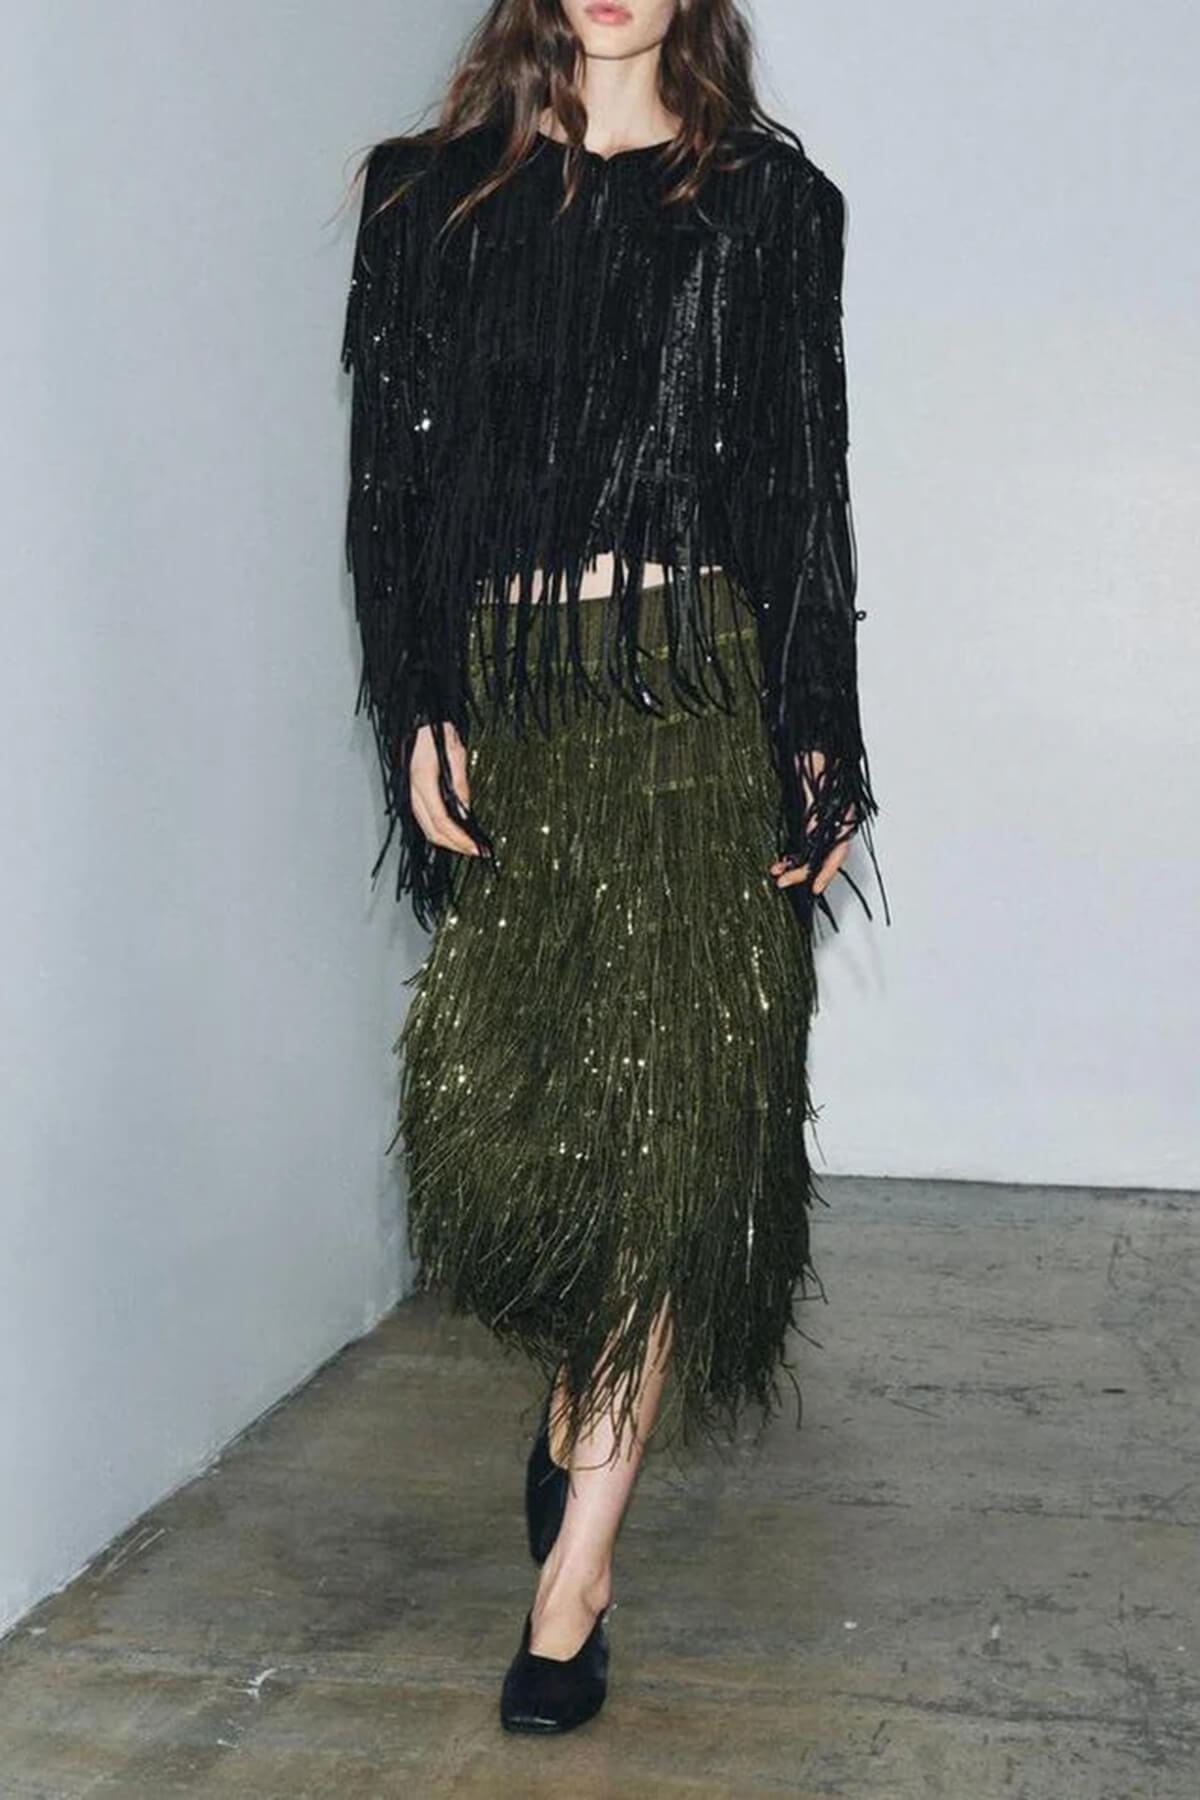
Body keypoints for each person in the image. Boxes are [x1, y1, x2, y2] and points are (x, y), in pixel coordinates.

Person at [341, 0, 884, 1735]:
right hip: (518, 711)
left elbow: (802, 487)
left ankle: (573, 1584)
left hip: (694, 706)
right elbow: (390, 493)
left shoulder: (771, 206)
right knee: (518, 1134)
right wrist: (417, 705)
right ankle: (581, 1388)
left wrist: (820, 737)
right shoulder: (429, 198)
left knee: (673, 1143)